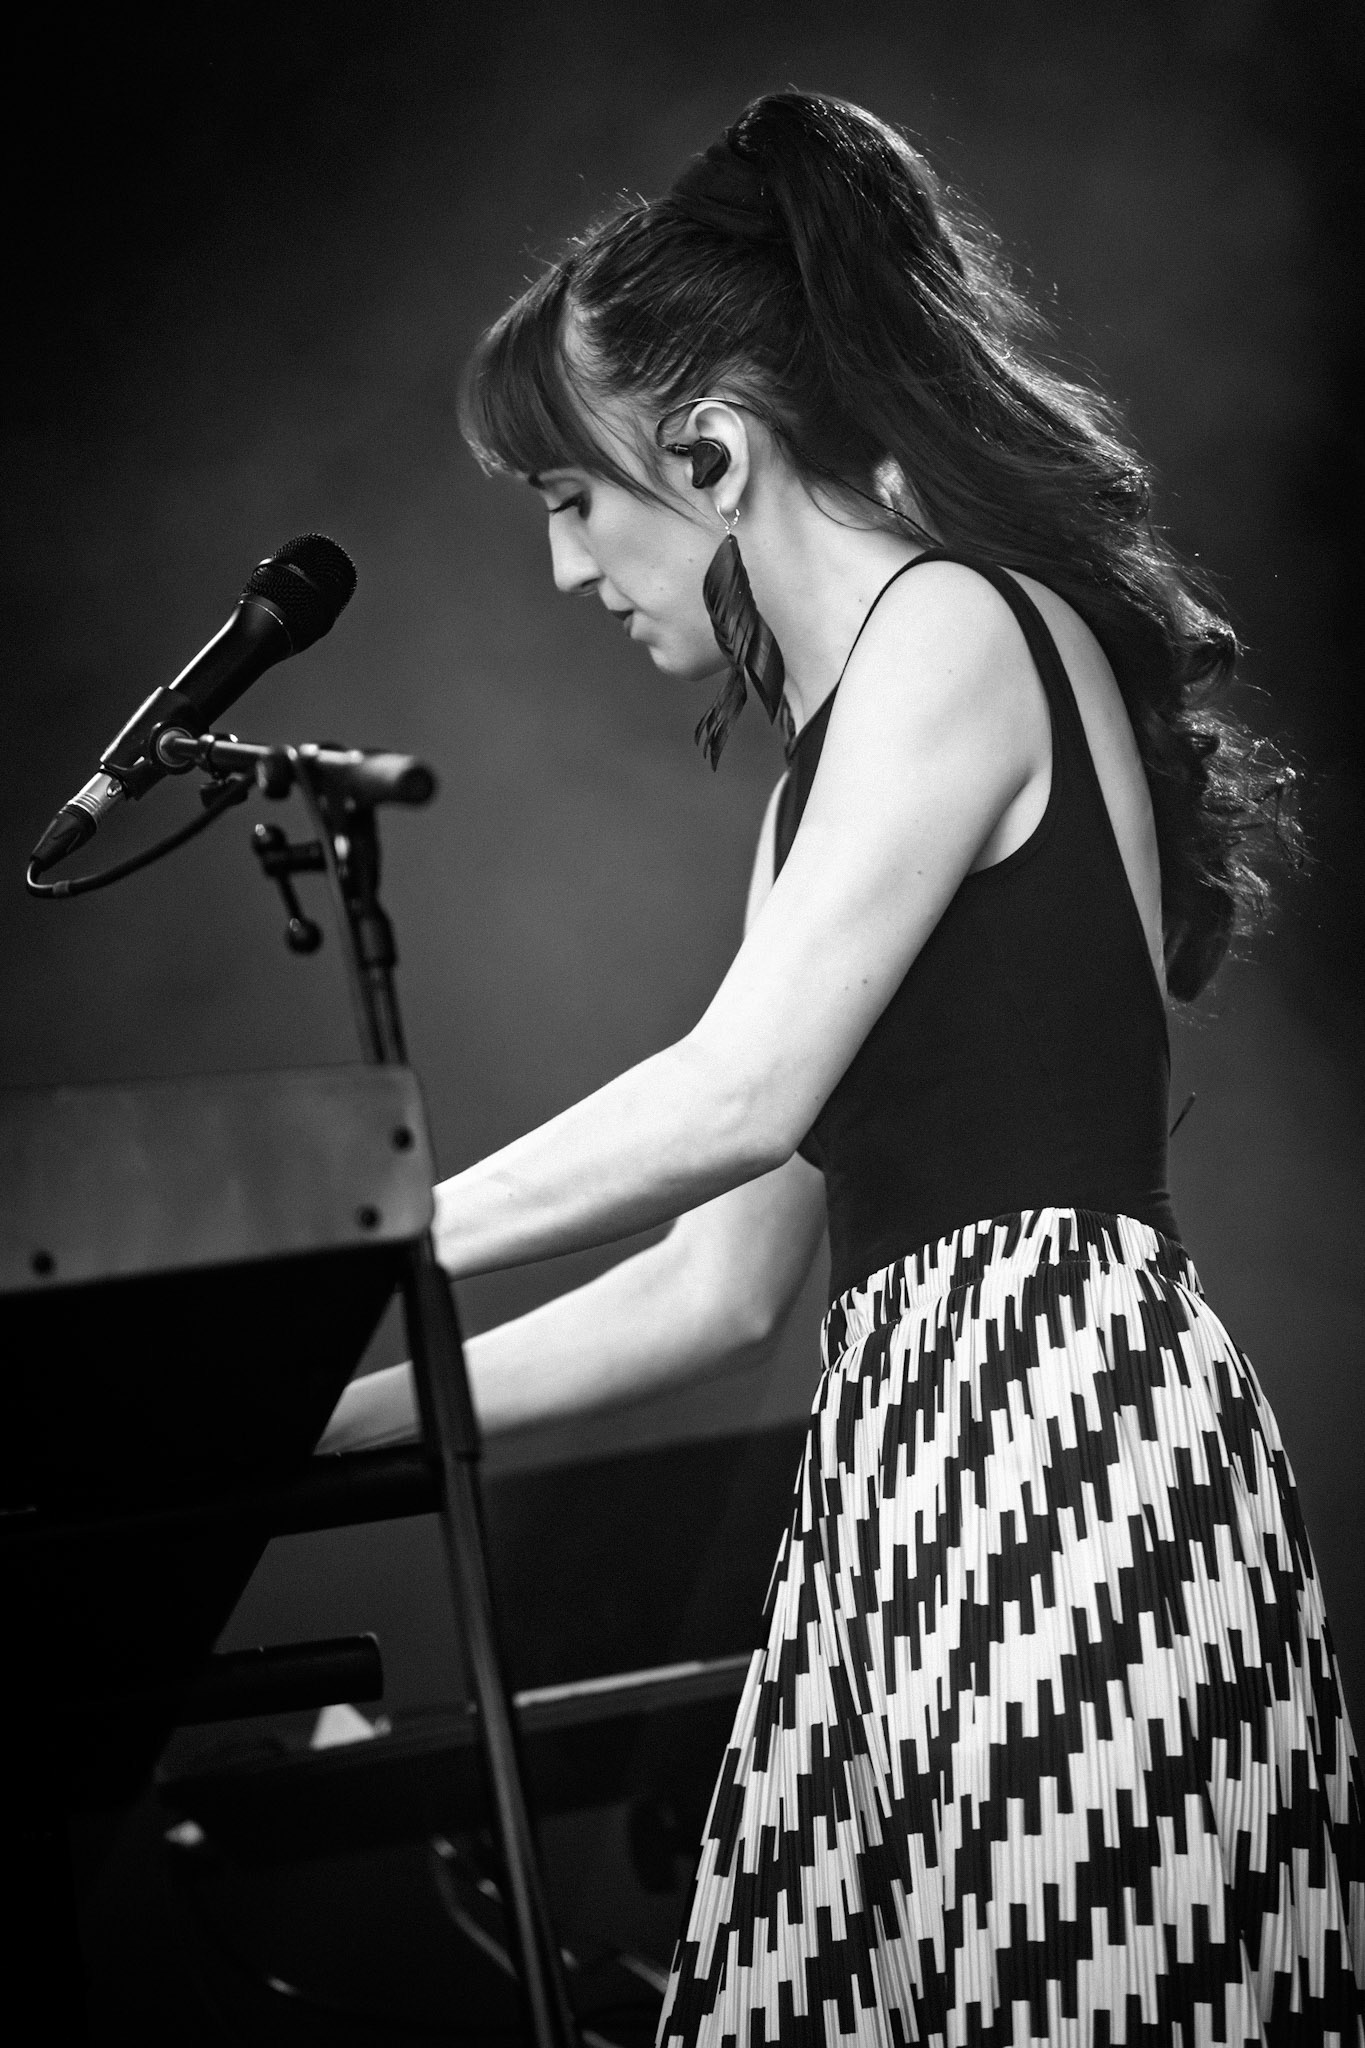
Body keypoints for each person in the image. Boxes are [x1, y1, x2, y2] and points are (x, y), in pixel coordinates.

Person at [320, 90, 1363, 2046]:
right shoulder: (823, 771)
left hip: (1062, 1463)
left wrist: (341, 1249)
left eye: (573, 500)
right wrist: (336, 1407)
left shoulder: (956, 630)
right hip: (907, 1485)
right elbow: (721, 1282)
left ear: (706, 446)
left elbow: (735, 1090)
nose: (563, 571)